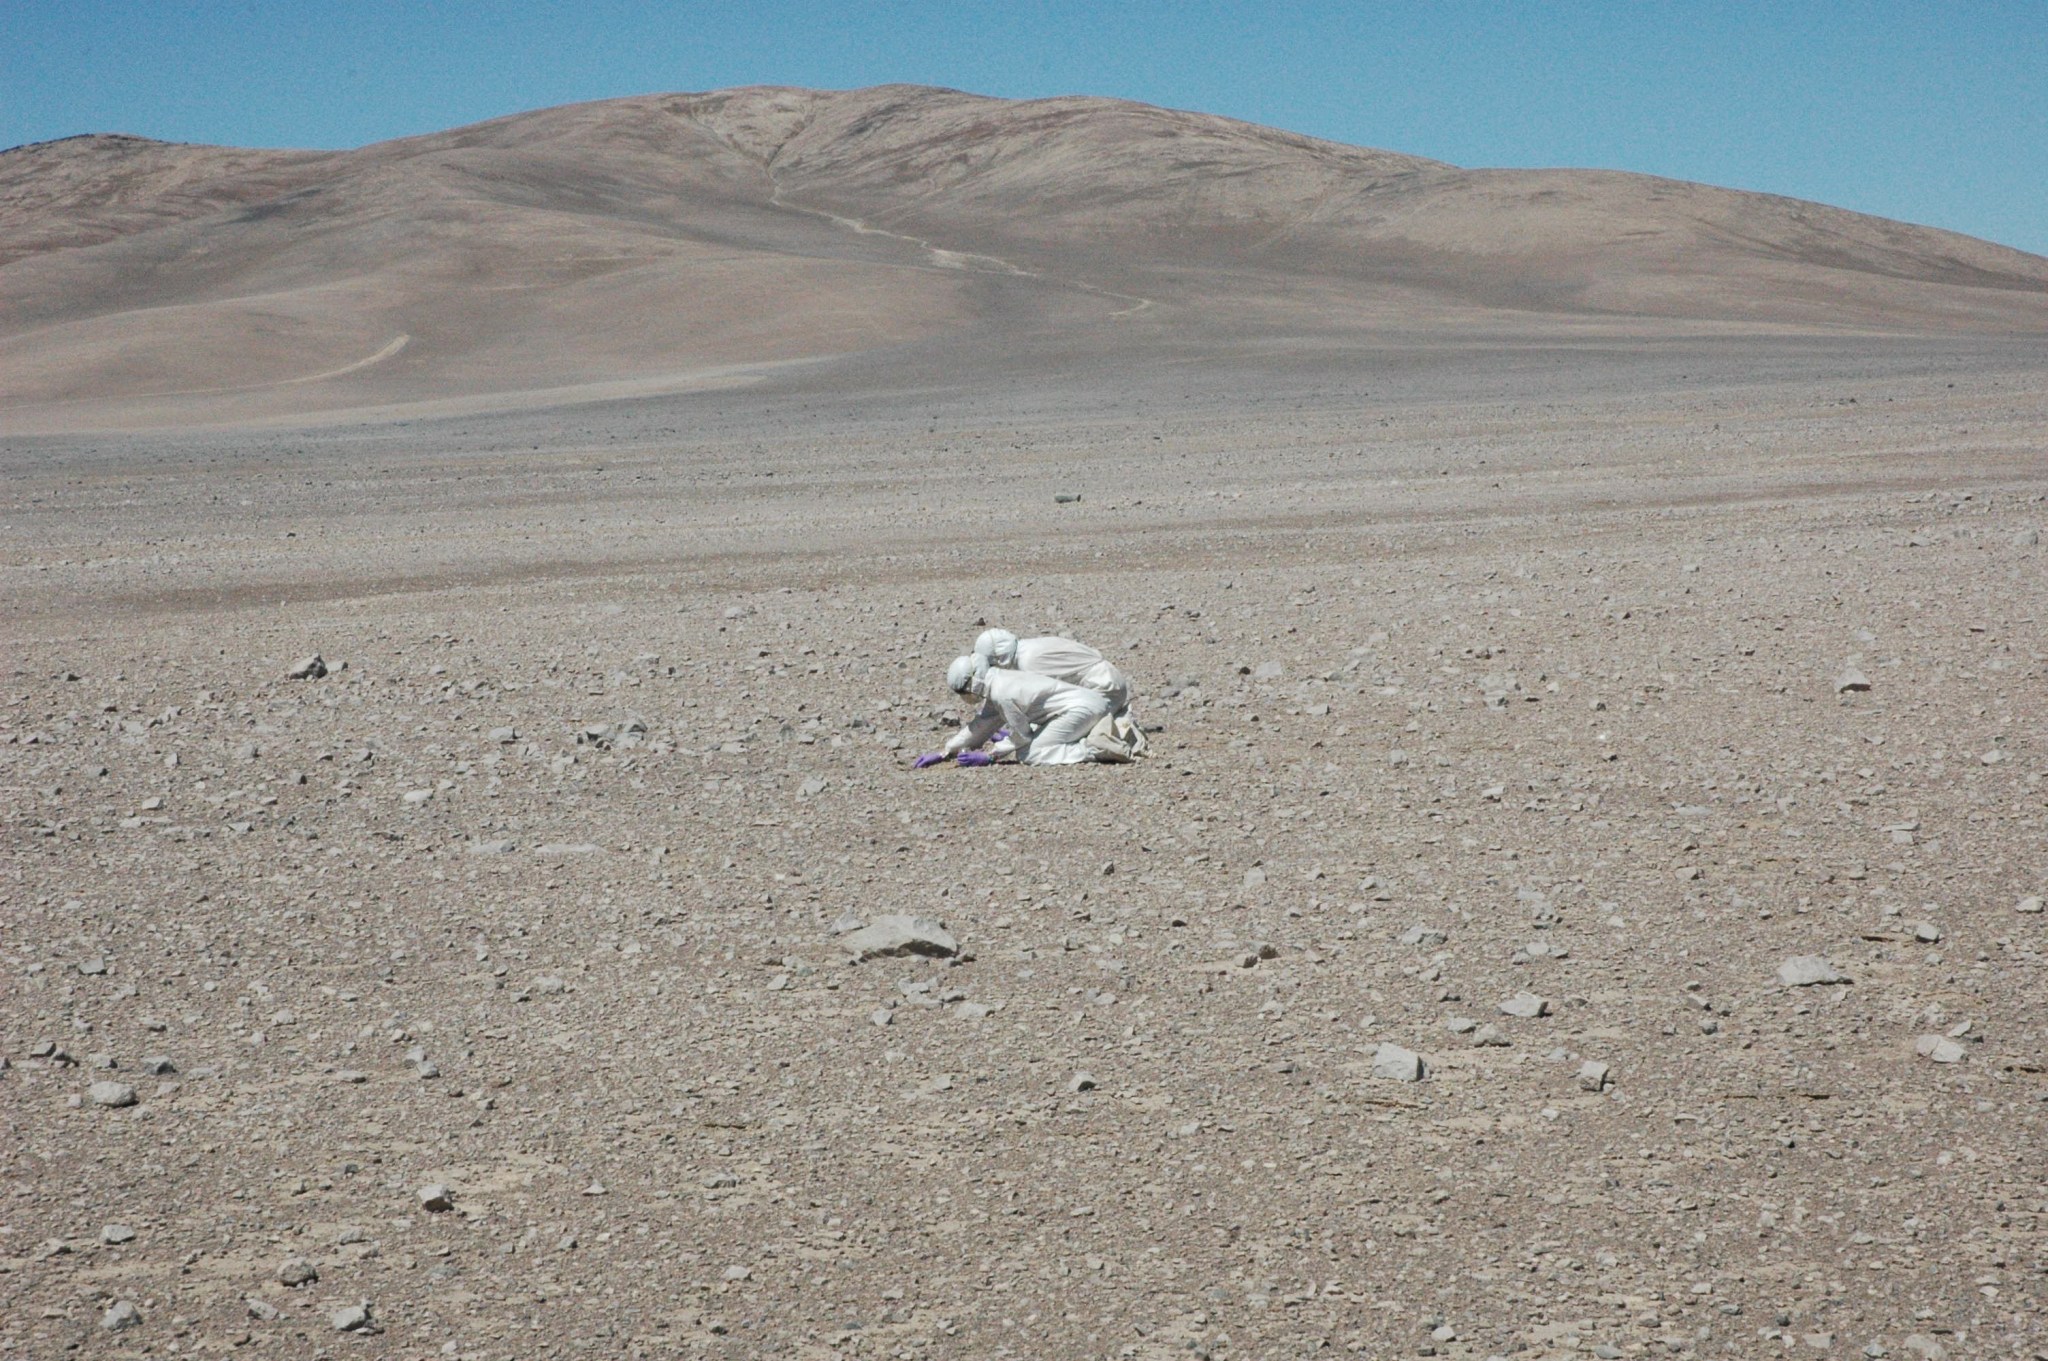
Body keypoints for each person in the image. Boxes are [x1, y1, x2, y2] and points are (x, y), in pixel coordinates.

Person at [912, 654, 1126, 767]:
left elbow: (1022, 736)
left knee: (1030, 753)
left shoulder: (1002, 693)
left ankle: (1095, 749)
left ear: (971, 683)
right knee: (1032, 741)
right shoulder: (997, 680)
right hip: (1087, 703)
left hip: (1082, 709)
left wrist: (991, 756)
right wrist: (947, 751)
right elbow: (982, 724)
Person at [974, 628, 1131, 713]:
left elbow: (1050, 698)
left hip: (1105, 688)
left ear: (998, 658)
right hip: (1108, 681)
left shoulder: (1028, 662)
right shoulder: (1028, 648)